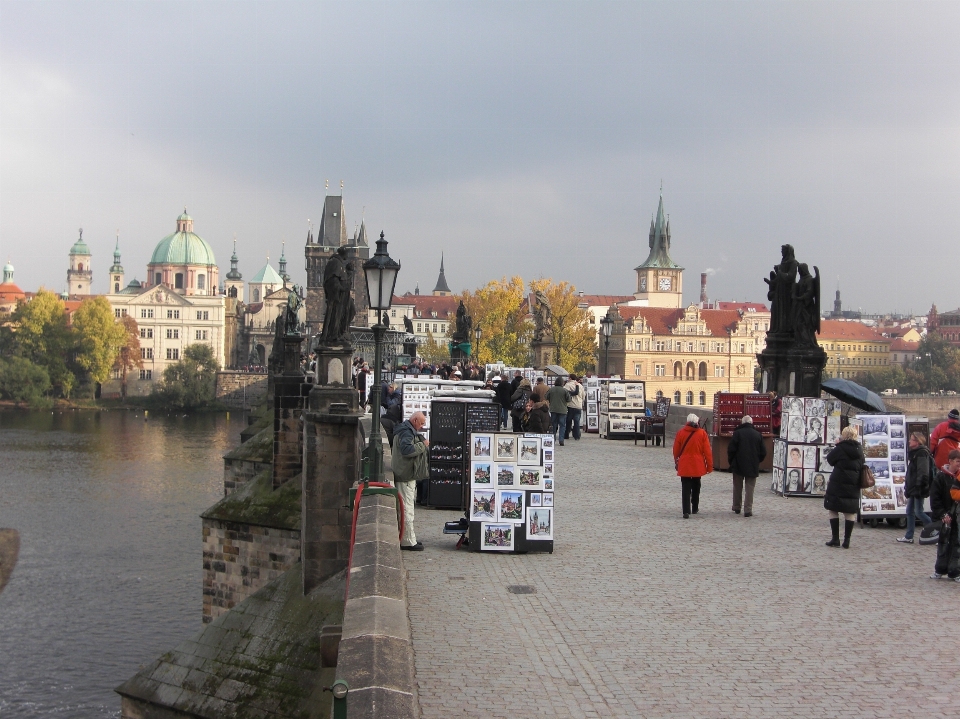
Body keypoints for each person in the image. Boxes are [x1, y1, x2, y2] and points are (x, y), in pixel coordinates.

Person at [392, 411, 429, 551]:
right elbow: (407, 450)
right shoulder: (407, 432)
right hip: (405, 475)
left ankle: (409, 537)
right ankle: (407, 541)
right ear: (414, 421)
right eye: (421, 423)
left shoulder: (403, 430)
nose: (422, 426)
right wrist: (423, 445)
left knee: (407, 506)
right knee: (407, 508)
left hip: (405, 474)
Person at [824, 426, 864, 548]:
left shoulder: (840, 448)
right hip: (853, 484)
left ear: (844, 436)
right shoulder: (859, 450)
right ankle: (847, 540)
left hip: (838, 482)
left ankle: (835, 539)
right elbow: (862, 463)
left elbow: (830, 460)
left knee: (833, 509)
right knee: (849, 512)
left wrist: (837, 445)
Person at [673, 414, 713, 518]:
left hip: (685, 463)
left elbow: (676, 450)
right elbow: (707, 451)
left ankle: (686, 510)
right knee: (696, 486)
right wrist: (709, 466)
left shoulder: (681, 433)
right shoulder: (702, 433)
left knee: (685, 487)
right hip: (697, 464)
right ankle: (695, 506)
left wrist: (676, 460)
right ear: (697, 422)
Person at [929, 449, 960, 580]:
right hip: (944, 516)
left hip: (956, 517)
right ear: (950, 461)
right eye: (958, 461)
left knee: (956, 544)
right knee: (943, 543)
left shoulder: (958, 477)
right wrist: (942, 514)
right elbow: (935, 499)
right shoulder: (941, 477)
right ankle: (940, 569)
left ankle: (954, 571)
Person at [727, 415, 766, 517]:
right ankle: (748, 509)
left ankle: (736, 506)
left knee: (737, 486)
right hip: (752, 464)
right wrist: (758, 461)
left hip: (738, 463)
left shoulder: (737, 433)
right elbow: (763, 452)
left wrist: (732, 462)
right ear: (751, 423)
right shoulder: (758, 435)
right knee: (750, 488)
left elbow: (731, 450)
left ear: (742, 423)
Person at [897, 432, 932, 543]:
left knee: (918, 512)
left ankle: (935, 530)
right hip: (913, 487)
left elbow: (923, 472)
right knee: (909, 511)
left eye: (911, 439)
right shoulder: (915, 453)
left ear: (917, 441)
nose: (909, 441)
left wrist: (919, 487)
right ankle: (909, 536)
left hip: (918, 488)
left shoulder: (921, 453)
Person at [546, 377, 571, 444]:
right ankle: (561, 440)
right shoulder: (564, 390)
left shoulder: (551, 390)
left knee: (554, 424)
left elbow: (546, 397)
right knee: (562, 425)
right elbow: (569, 399)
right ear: (562, 383)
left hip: (553, 409)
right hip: (562, 410)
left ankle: (553, 439)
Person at [564, 374, 583, 441]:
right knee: (577, 421)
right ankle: (577, 435)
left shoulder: (567, 385)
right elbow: (583, 395)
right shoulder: (580, 385)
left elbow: (565, 394)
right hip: (578, 406)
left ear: (570, 378)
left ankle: (566, 434)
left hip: (571, 405)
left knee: (568, 420)